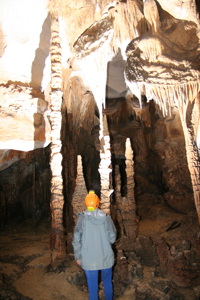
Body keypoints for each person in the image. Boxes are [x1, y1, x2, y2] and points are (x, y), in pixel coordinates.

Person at [72, 190, 117, 300]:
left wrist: (78, 256)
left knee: (92, 288)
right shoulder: (106, 218)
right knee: (107, 283)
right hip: (106, 258)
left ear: (86, 203)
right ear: (98, 203)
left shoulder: (81, 219)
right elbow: (112, 238)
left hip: (89, 259)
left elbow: (76, 239)